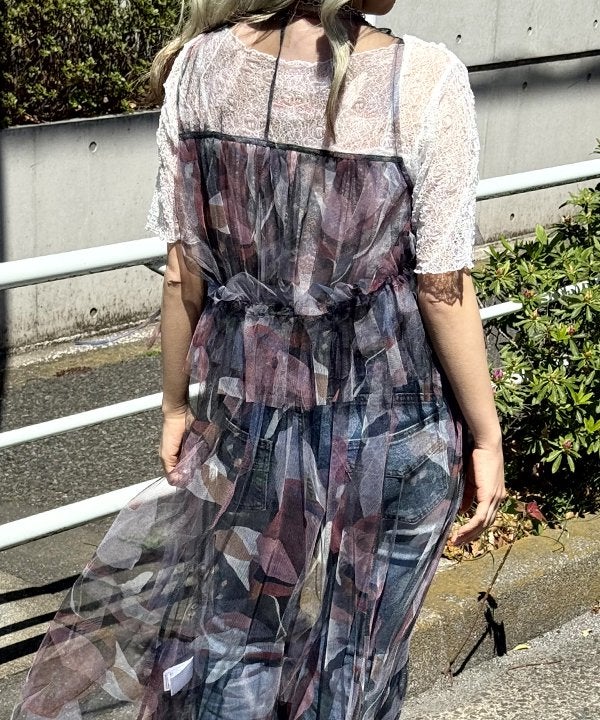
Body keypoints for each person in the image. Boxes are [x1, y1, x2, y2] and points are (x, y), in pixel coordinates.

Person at [12, 1, 505, 718]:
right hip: (395, 419)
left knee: (238, 638)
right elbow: (442, 286)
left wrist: (175, 406)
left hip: (253, 415)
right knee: (359, 654)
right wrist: (486, 433)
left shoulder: (201, 67)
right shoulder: (427, 79)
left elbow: (183, 272)